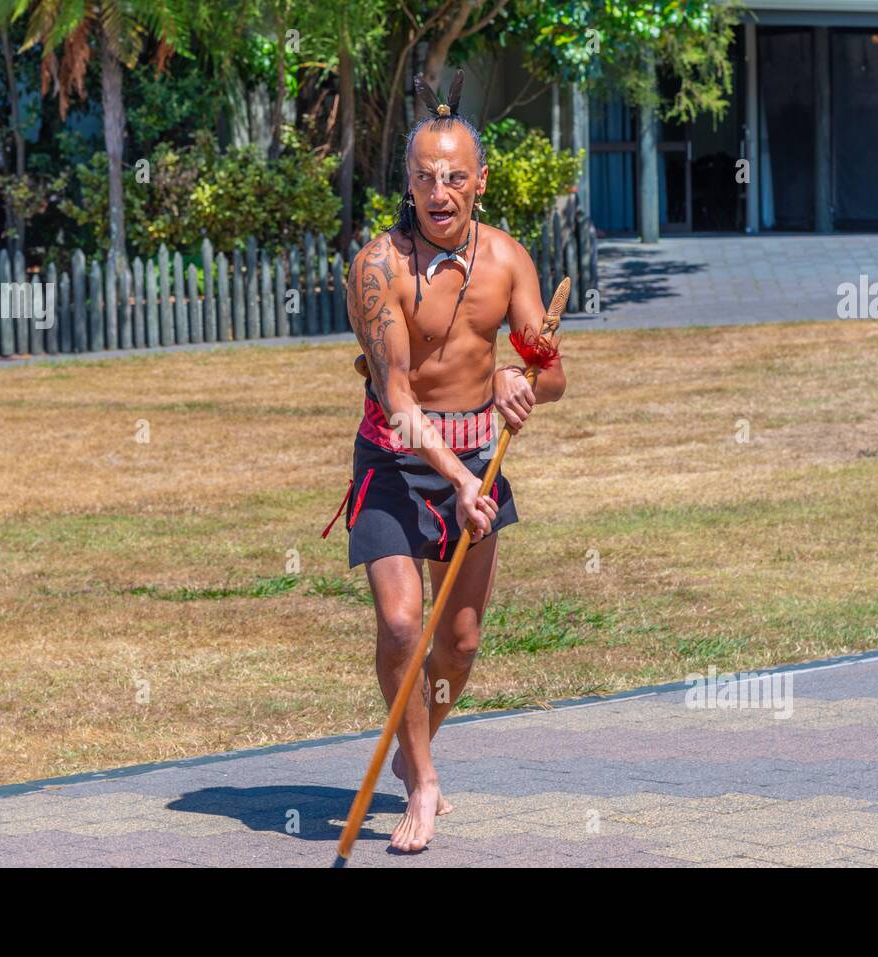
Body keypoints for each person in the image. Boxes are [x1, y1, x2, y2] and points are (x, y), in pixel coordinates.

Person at [328, 71, 567, 853]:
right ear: (407, 180)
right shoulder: (377, 268)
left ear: (480, 181)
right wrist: (463, 483)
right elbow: (397, 398)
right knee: (402, 623)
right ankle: (422, 779)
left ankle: (415, 738)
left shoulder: (508, 260)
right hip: (396, 462)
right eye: (426, 176)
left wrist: (517, 377)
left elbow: (552, 372)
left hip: (476, 456)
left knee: (457, 643)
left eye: (455, 175)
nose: (440, 190)